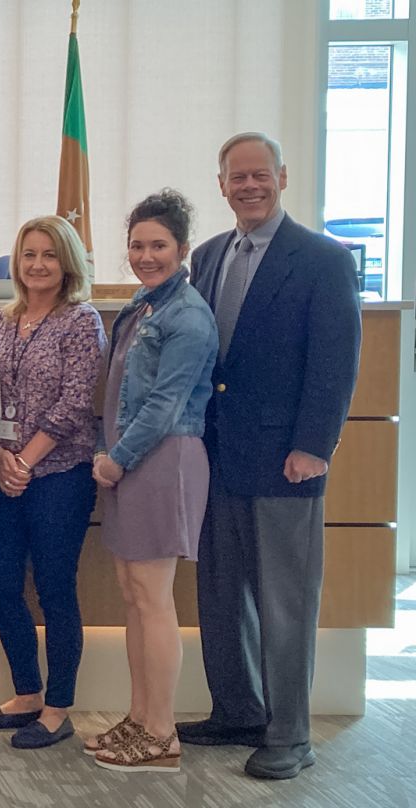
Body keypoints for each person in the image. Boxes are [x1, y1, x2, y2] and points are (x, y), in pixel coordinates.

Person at [179, 133, 361, 780]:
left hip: (288, 461)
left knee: (285, 605)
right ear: (221, 184)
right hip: (217, 456)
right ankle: (237, 711)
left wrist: (315, 445)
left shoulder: (322, 259)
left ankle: (291, 734)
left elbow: (335, 363)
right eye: (237, 177)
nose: (249, 185)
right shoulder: (204, 257)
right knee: (221, 595)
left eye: (260, 174)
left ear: (282, 176)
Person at [89, 190, 218, 773]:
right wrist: (110, 453)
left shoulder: (187, 314)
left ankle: (162, 733)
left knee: (154, 598)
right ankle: (139, 718)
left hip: (162, 460)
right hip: (128, 460)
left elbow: (165, 403)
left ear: (182, 249)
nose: (146, 255)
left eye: (158, 245)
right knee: (133, 595)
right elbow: (118, 394)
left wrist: (118, 459)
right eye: (137, 245)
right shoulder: (145, 304)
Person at [0, 216, 103, 749]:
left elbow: (76, 401)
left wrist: (25, 459)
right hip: (1, 472)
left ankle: (58, 706)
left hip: (59, 475)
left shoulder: (81, 321)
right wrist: (2, 456)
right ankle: (26, 691)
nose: (38, 264)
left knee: (54, 589)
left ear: (66, 262)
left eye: (49, 254)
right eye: (29, 254)